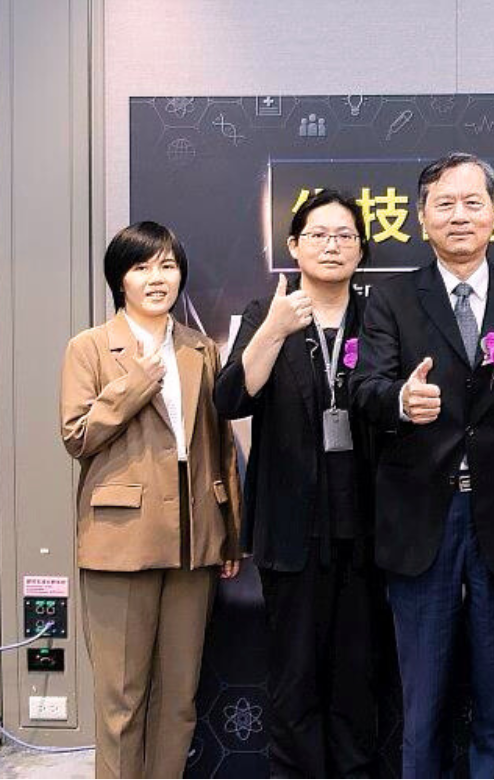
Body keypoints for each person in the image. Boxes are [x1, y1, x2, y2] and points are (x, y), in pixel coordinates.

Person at [348, 152, 494, 777]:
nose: (460, 215)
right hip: (420, 519)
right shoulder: (389, 299)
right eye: (445, 204)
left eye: (473, 202)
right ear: (421, 218)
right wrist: (399, 401)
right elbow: (366, 389)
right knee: (425, 697)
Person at [59, 222, 241, 778]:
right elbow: (77, 435)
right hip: (121, 541)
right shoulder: (90, 347)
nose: (156, 278)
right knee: (121, 703)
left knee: (180, 699)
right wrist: (134, 384)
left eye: (166, 266)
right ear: (121, 280)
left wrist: (230, 530)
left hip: (194, 539)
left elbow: (221, 444)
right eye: (141, 268)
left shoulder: (199, 348)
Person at [214, 190, 379, 777]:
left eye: (344, 235)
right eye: (318, 235)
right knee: (294, 682)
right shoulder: (268, 313)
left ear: (362, 249)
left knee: (358, 683)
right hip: (290, 528)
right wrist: (274, 331)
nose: (332, 245)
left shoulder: (381, 316)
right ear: (293, 246)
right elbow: (230, 398)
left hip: (366, 532)